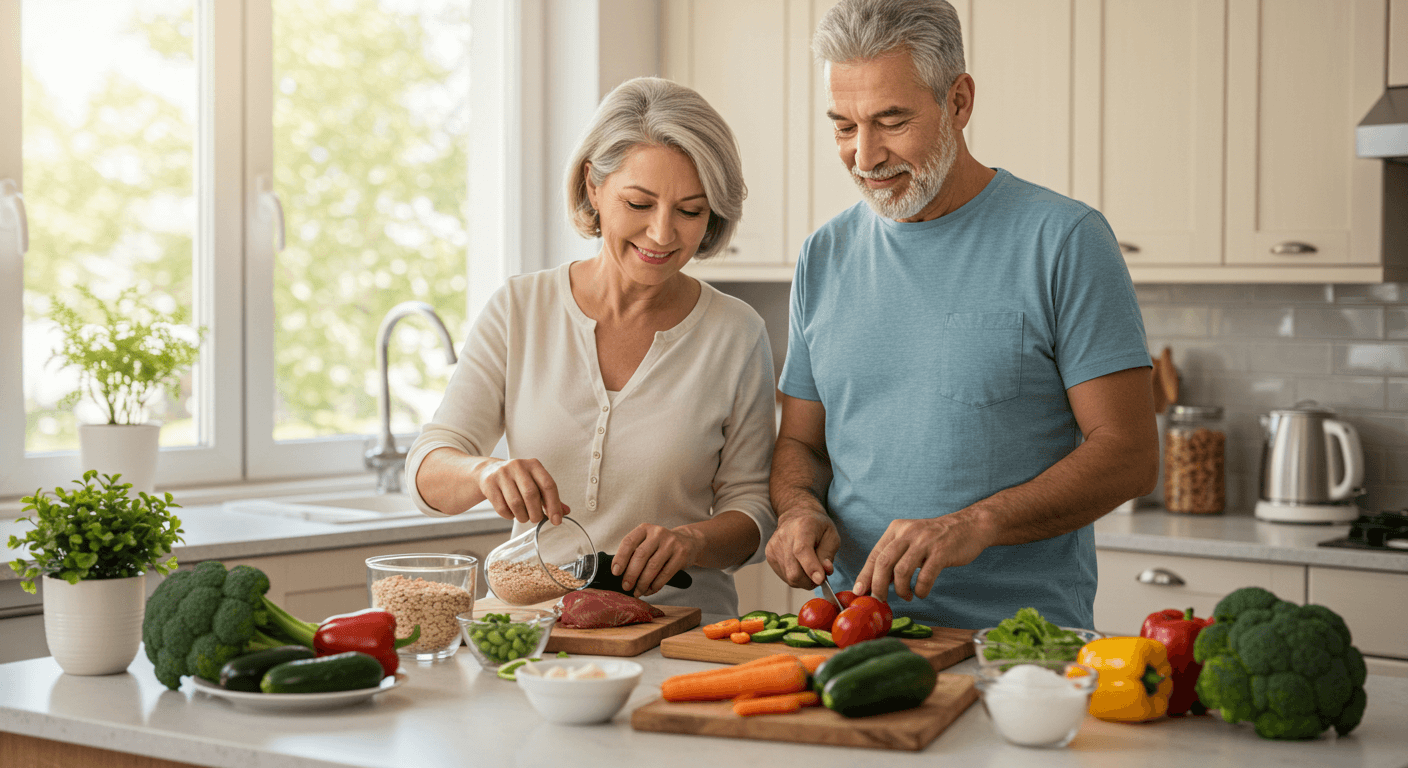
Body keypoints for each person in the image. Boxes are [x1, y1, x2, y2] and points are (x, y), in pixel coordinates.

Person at [766, 0, 1159, 630]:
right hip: (852, 632)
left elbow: (1129, 455)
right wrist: (797, 510)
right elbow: (800, 444)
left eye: (891, 122)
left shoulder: (1064, 239)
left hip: (1019, 643)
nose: (865, 157)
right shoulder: (824, 255)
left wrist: (978, 522)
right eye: (843, 127)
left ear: (959, 101)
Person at [406, 77, 776, 617]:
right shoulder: (520, 308)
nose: (662, 233)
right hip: (528, 632)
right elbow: (426, 469)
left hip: (679, 633)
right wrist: (484, 473)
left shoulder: (736, 332)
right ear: (593, 187)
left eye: (691, 211)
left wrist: (692, 542)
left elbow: (755, 512)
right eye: (639, 203)